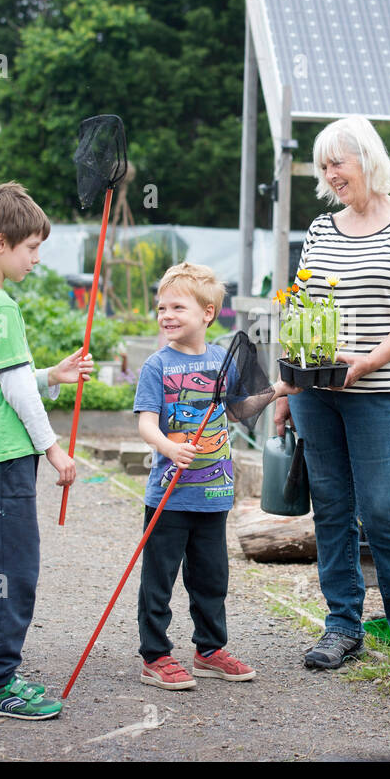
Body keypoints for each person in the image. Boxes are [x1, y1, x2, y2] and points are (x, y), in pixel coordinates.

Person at [274, 115, 390, 669]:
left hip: (378, 388)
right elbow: (300, 310)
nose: (329, 174)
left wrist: (365, 363)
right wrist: (284, 391)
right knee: (332, 506)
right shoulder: (322, 230)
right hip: (315, 390)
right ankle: (342, 626)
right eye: (323, 166)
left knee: (383, 505)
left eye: (336, 162)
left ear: (366, 159)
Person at [0, 182, 94, 720]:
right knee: (13, 566)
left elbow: (2, 379)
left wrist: (50, 375)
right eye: (32, 248)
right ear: (3, 241)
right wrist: (53, 449)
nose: (36, 259)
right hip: (5, 454)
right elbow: (14, 392)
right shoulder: (2, 307)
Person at [133, 262, 289, 689]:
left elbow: (240, 408)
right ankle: (155, 655)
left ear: (207, 313)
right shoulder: (156, 367)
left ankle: (209, 650)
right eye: (161, 307)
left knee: (211, 577)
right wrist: (168, 446)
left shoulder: (222, 360)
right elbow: (146, 423)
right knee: (158, 578)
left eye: (177, 307)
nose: (166, 315)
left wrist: (279, 389)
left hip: (214, 493)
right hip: (170, 494)